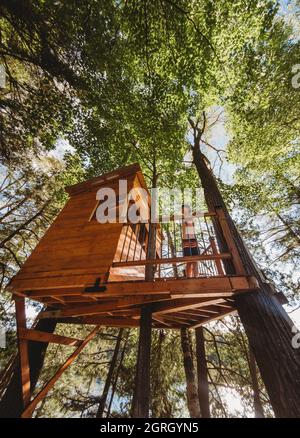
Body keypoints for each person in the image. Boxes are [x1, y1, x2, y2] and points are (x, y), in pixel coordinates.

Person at [181, 204, 199, 277]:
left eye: (184, 209)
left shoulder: (192, 217)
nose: (183, 211)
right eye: (182, 210)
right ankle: (189, 277)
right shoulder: (182, 218)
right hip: (185, 239)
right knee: (188, 261)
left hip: (193, 238)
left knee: (195, 260)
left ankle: (196, 277)